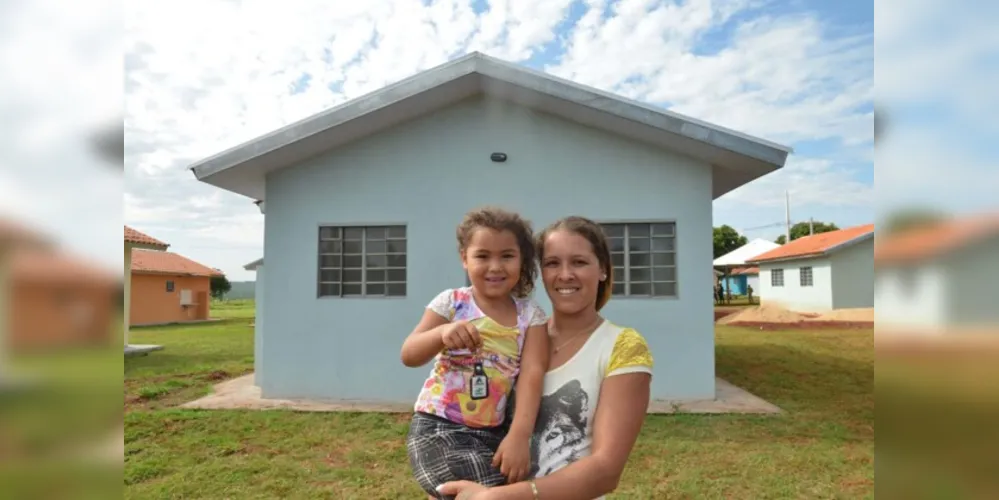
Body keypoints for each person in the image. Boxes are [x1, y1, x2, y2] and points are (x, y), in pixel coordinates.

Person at [437, 215, 654, 500]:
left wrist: (500, 498)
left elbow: (606, 470)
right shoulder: (514, 337)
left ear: (602, 269)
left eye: (579, 262)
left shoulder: (622, 346)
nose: (565, 275)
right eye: (552, 263)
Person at [400, 207, 551, 500]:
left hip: (496, 434)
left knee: (510, 491)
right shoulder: (452, 303)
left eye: (507, 256)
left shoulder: (531, 315)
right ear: (464, 258)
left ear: (522, 259)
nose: (495, 266)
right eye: (482, 256)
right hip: (439, 430)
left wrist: (519, 436)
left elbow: (533, 373)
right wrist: (441, 334)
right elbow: (409, 354)